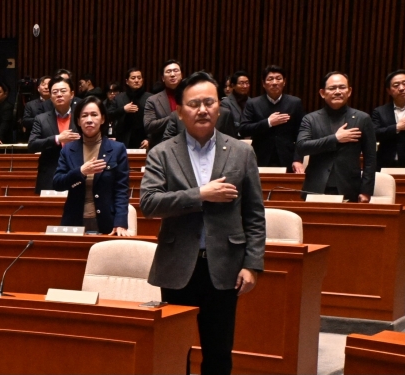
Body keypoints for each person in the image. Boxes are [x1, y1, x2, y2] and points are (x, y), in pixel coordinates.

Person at [140, 72, 265, 375]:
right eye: (194, 104)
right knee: (175, 351)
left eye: (209, 102)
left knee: (219, 353)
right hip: (177, 266)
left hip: (224, 267)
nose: (202, 110)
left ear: (219, 107)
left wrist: (252, 264)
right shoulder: (162, 153)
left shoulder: (241, 152)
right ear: (180, 112)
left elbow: (254, 214)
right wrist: (200, 195)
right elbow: (149, 204)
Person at [53, 96, 131, 236]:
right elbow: (58, 183)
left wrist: (120, 222)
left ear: (102, 119)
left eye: (94, 115)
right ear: (78, 120)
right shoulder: (68, 150)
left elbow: (121, 190)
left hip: (107, 221)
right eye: (84, 115)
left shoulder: (117, 149)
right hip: (74, 220)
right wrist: (81, 171)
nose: (89, 120)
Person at [297, 72, 377, 203]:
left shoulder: (363, 119)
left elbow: (370, 159)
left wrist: (366, 191)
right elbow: (301, 147)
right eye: (332, 88)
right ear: (322, 93)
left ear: (349, 91)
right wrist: (335, 138)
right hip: (315, 187)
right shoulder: (310, 119)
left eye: (342, 87)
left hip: (350, 188)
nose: (338, 91)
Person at [238, 65, 307, 173]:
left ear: (284, 82)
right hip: (259, 158)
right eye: (270, 79)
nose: (274, 82)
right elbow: (243, 129)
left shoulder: (295, 103)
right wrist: (268, 122)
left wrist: (298, 159)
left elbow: (302, 134)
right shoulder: (253, 103)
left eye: (278, 78)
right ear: (263, 84)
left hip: (287, 158)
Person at [29, 77, 79, 193]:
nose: (59, 95)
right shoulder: (41, 119)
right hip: (49, 175)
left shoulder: (81, 117)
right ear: (50, 97)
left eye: (63, 91)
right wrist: (57, 139)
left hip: (77, 172)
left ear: (72, 94)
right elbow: (32, 145)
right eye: (55, 92)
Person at [144, 60, 183, 150]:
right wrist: (175, 116)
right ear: (162, 78)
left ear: (181, 75)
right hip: (162, 149)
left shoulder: (192, 97)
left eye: (176, 70)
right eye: (168, 72)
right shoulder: (153, 100)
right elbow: (149, 126)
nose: (172, 74)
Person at [114, 68, 152, 149]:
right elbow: (109, 114)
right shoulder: (119, 98)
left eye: (139, 78)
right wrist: (123, 109)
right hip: (123, 139)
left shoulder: (150, 98)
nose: (136, 80)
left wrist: (149, 139)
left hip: (144, 140)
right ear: (127, 81)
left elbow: (154, 121)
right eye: (133, 78)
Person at [221, 71, 252, 135]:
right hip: (232, 137)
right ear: (233, 86)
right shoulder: (225, 103)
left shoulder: (252, 102)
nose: (245, 86)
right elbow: (227, 124)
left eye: (247, 83)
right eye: (241, 83)